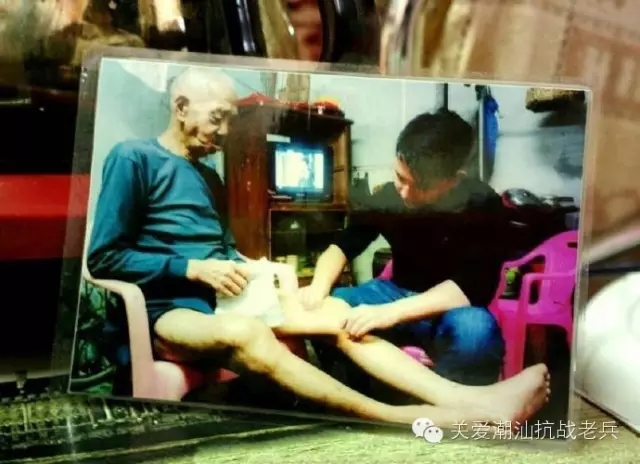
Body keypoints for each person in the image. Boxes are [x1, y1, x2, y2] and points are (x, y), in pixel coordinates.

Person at [87, 66, 549, 428]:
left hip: (229, 300)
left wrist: (263, 269)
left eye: (231, 118)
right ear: (181, 106)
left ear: (451, 179)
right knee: (266, 329)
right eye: (218, 117)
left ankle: (475, 400)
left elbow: (222, 251)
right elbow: (104, 257)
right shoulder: (133, 158)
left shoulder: (209, 175)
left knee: (343, 321)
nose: (226, 131)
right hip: (169, 308)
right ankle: (401, 416)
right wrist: (192, 269)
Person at [298, 109, 510, 387]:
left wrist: (390, 313)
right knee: (325, 310)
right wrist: (318, 288)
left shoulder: (482, 204)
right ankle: (360, 394)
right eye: (400, 178)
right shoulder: (389, 196)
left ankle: (446, 402)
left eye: (419, 186)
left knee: (476, 333)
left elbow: (472, 287)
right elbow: (342, 245)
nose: (405, 193)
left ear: (454, 179)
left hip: (449, 307)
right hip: (394, 291)